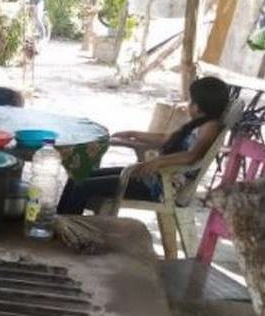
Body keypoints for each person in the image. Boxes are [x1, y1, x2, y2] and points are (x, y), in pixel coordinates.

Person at [57, 76, 230, 214]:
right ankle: (57, 223)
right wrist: (132, 135)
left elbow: (193, 155)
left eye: (191, 101)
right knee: (78, 177)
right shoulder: (198, 124)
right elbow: (164, 138)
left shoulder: (211, 126)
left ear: (199, 107)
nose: (188, 106)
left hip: (158, 186)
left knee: (82, 185)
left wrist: (158, 162)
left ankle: (68, 228)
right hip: (151, 176)